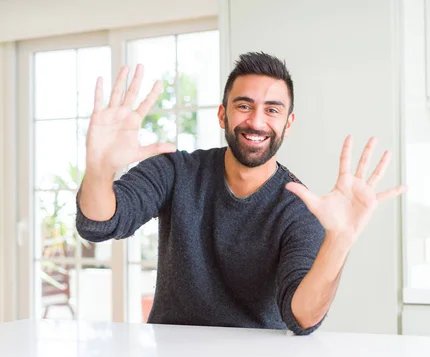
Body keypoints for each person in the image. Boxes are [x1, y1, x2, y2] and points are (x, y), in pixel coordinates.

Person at [76, 52, 406, 335]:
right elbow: (100, 221)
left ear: (288, 123)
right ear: (223, 114)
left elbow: (302, 317)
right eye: (244, 106)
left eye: (272, 110)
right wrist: (100, 169)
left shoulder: (300, 208)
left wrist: (339, 239)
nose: (256, 121)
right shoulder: (176, 171)